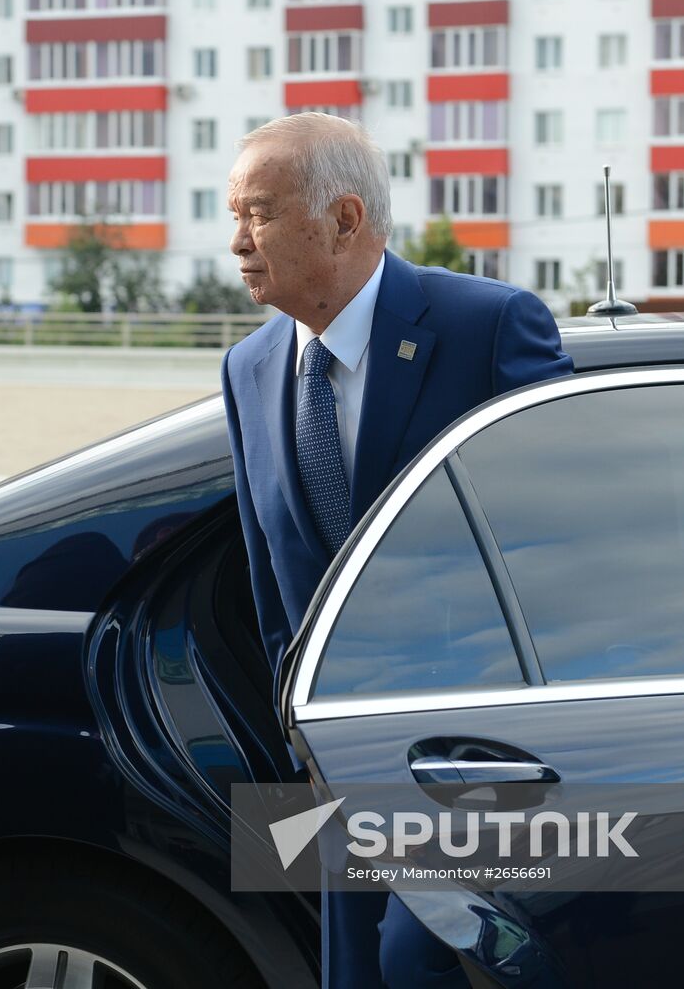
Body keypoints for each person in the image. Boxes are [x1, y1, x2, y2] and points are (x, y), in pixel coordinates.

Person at [220, 113, 572, 987]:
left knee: (425, 968)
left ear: (342, 220)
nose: (235, 243)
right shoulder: (249, 367)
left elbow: (561, 547)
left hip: (487, 774)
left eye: (256, 214)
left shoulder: (487, 328)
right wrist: (301, 732)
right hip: (341, 771)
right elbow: (275, 584)